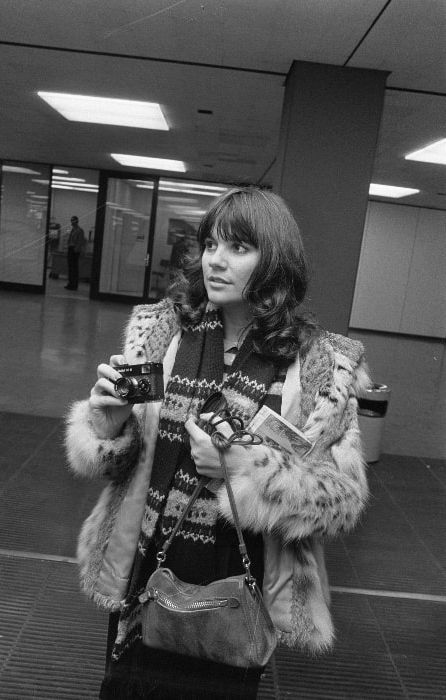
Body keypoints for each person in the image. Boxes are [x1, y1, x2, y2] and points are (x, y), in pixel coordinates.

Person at [65, 187, 370, 699]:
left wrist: (243, 468)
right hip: (147, 571)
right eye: (211, 244)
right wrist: (109, 422)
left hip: (238, 589)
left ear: (274, 262)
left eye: (238, 248)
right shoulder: (165, 336)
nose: (216, 261)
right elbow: (113, 463)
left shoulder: (317, 365)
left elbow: (339, 500)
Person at [65, 215, 86, 290]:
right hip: (71, 248)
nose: (71, 223)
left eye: (73, 221)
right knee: (70, 268)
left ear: (76, 221)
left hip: (74, 250)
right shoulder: (73, 229)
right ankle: (70, 283)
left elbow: (80, 242)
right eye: (71, 221)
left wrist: (76, 250)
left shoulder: (80, 230)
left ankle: (74, 285)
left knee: (74, 268)